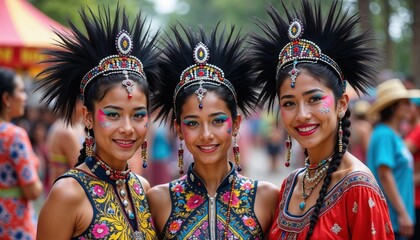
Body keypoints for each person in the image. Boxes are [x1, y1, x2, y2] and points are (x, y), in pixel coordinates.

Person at [249, 0, 394, 239]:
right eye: (289, 103)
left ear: (342, 104)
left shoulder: (358, 187)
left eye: (314, 99)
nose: (302, 114)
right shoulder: (290, 184)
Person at [36, 6, 160, 239]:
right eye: (113, 114)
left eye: (138, 115)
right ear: (88, 117)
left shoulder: (142, 188)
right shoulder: (68, 194)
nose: (127, 128)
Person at [146, 24, 279, 239]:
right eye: (192, 123)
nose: (206, 134)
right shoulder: (159, 200)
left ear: (235, 124)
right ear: (178, 128)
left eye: (217, 121)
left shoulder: (266, 197)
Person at [367, 79, 420, 240]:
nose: (411, 106)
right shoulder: (384, 134)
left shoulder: (393, 135)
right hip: (392, 217)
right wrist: (403, 213)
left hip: (397, 217)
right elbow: (385, 174)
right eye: (406, 102)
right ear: (394, 107)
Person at [0, 67, 43, 240]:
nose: (25, 97)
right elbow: (32, 191)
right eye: (21, 91)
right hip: (14, 227)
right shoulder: (14, 135)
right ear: (7, 98)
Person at [45, 99, 84, 192]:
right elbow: (81, 167)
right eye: (83, 102)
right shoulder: (65, 131)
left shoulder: (78, 126)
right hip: (65, 191)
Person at [405, 97, 420, 240]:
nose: (407, 110)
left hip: (417, 200)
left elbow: (401, 152)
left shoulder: (418, 130)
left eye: (410, 106)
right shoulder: (412, 130)